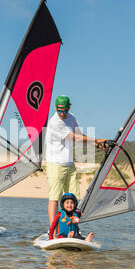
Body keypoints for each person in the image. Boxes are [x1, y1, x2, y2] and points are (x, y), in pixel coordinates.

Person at [45, 95, 108, 226]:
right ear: (56, 109)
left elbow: (80, 135)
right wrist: (97, 139)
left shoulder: (71, 118)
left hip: (69, 163)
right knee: (54, 197)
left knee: (73, 198)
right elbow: (75, 138)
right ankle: (53, 230)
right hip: (55, 163)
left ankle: (71, 227)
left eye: (64, 110)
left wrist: (96, 145)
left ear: (69, 108)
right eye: (59, 110)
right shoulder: (54, 122)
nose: (62, 113)